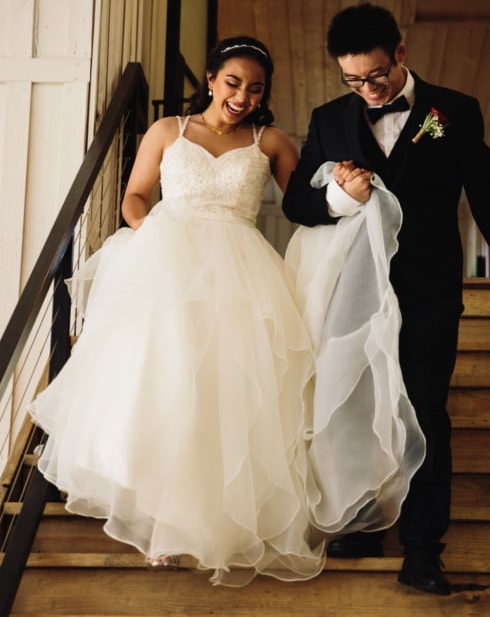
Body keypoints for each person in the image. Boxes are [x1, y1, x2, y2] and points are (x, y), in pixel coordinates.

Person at [29, 36, 326, 587]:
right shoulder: (169, 130)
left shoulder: (271, 142)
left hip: (241, 275)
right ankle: (162, 527)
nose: (242, 96)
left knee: (223, 393)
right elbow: (134, 197)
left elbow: (305, 206)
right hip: (168, 265)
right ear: (210, 79)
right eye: (233, 82)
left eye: (255, 88)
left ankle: (219, 525)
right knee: (165, 387)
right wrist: (153, 235)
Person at [282, 3, 490, 596]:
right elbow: (297, 202)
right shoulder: (328, 119)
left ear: (399, 54)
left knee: (424, 410)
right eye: (353, 81)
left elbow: (486, 193)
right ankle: (363, 524)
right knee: (355, 405)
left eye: (376, 76)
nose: (368, 90)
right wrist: (339, 199)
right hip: (354, 294)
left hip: (429, 289)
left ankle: (422, 550)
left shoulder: (453, 111)